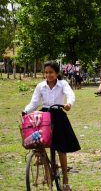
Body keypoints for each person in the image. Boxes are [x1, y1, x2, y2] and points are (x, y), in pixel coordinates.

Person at [23, 61, 80, 191]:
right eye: (46, 72)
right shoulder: (40, 86)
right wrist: (25, 111)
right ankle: (40, 157)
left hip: (58, 115)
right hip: (44, 115)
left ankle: (65, 180)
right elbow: (34, 102)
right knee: (38, 141)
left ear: (57, 73)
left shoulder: (63, 84)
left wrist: (68, 104)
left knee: (61, 149)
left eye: (51, 72)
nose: (48, 75)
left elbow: (70, 95)